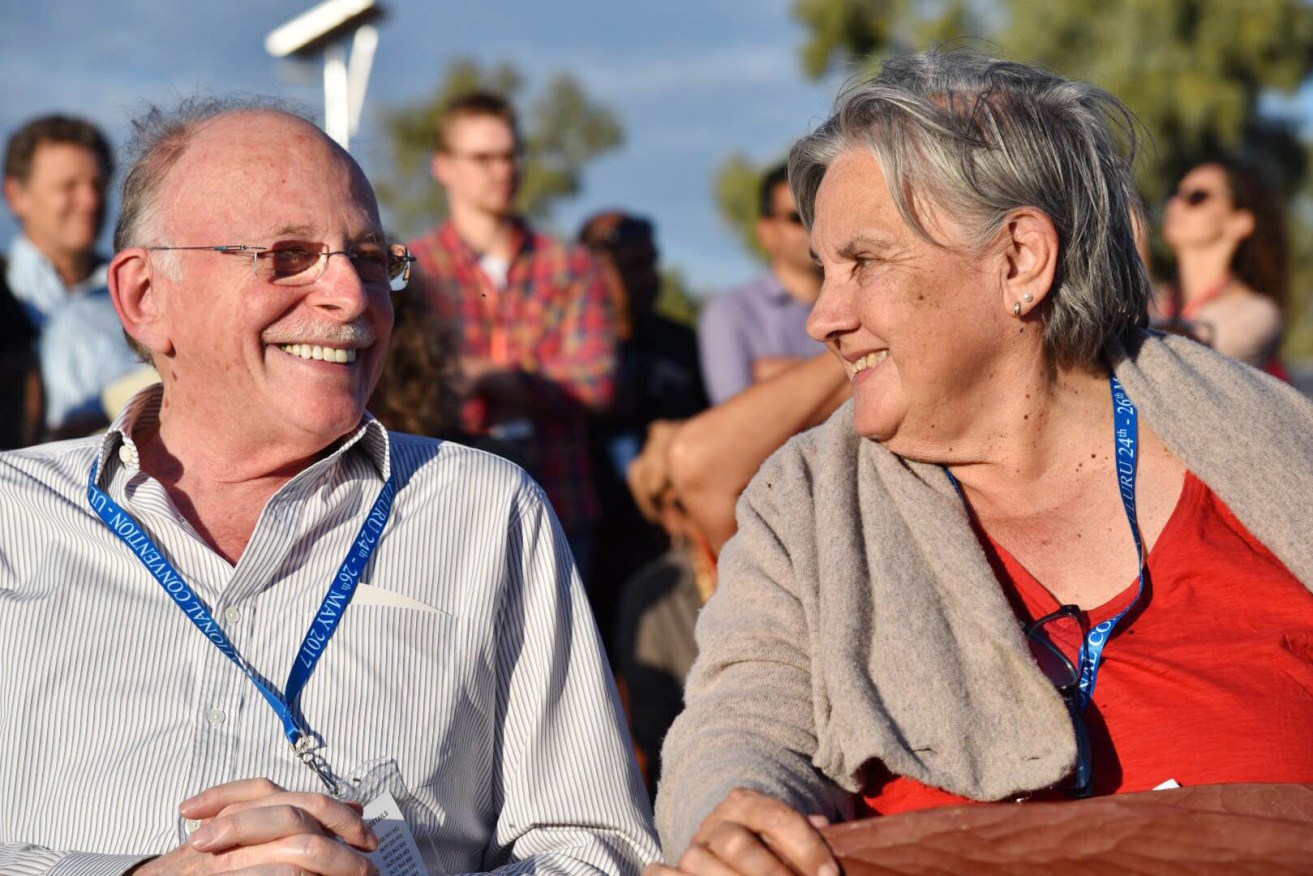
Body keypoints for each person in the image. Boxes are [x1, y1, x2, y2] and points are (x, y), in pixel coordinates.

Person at [652, 49, 1313, 875]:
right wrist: (735, 819)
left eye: (864, 262)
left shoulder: (1279, 470)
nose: (822, 318)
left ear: (1019, 261)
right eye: (824, 271)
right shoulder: (805, 508)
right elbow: (739, 724)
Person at [0, 97, 658, 876]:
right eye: (287, 255)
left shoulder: (484, 513)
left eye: (373, 260)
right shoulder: (16, 517)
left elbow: (596, 851)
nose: (353, 299)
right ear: (146, 298)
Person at [409, 92, 618, 580]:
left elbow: (596, 384)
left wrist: (485, 376)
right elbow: (406, 390)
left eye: (510, 155)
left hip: (559, 502)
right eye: (483, 158)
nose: (502, 170)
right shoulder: (413, 270)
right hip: (444, 505)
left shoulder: (570, 264)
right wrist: (536, 386)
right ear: (443, 166)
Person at [3, 114, 141, 437]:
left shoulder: (141, 300)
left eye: (97, 186)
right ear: (16, 196)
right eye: (68, 187)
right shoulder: (8, 296)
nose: (90, 201)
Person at [697, 163, 824, 405]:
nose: (812, 226)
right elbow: (738, 421)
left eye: (819, 213)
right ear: (766, 232)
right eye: (797, 217)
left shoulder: (862, 299)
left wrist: (779, 377)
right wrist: (845, 378)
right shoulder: (729, 312)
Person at [1157, 158, 1289, 375]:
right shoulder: (1153, 299)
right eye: (1174, 193)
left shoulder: (1257, 313)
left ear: (1240, 222)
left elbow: (1196, 370)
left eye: (1197, 197)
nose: (1175, 205)